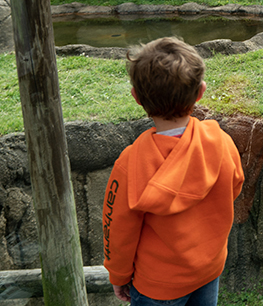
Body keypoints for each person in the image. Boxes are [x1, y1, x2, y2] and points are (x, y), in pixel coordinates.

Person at [102, 37, 244, 305]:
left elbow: (117, 228)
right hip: (208, 270)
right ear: (200, 92)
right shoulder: (222, 143)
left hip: (157, 285)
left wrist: (118, 275)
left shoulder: (131, 163)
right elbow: (233, 187)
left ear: (136, 97)